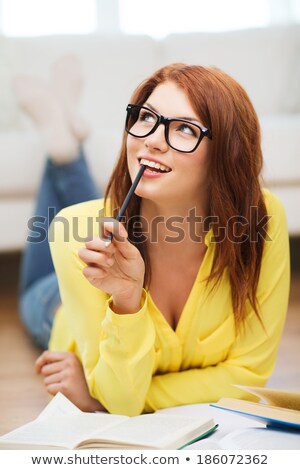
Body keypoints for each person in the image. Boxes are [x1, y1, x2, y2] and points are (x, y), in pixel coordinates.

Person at [17, 62, 290, 416]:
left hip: (96, 238)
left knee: (94, 211)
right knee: (48, 272)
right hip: (58, 304)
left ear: (228, 152)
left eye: (185, 129)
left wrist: (100, 395)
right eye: (146, 118)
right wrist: (126, 300)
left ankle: (65, 146)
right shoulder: (73, 234)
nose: (151, 140)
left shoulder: (261, 219)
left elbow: (247, 378)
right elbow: (122, 402)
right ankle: (64, 149)